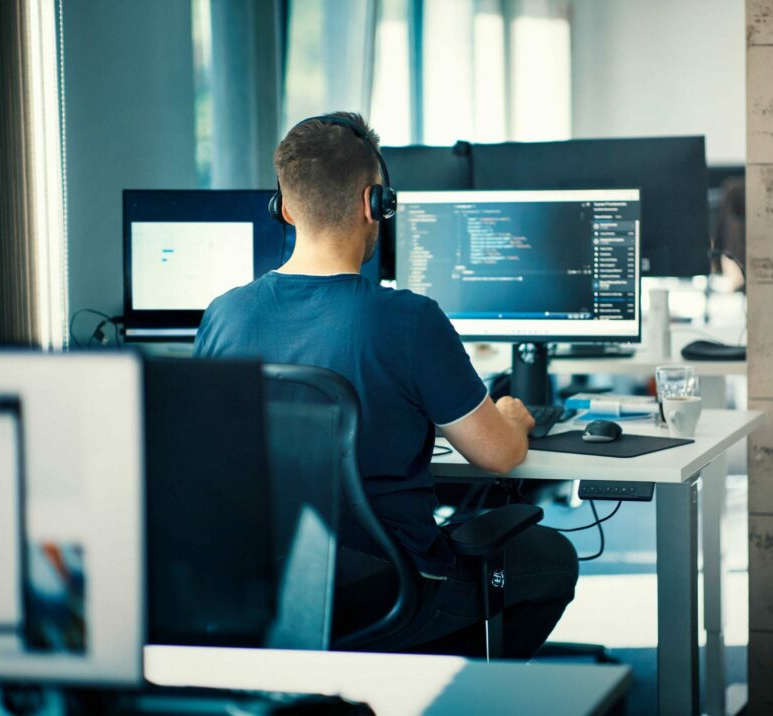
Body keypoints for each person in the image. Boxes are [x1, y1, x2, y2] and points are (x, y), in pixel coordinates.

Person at [193, 112, 577, 659]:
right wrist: (512, 418)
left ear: (282, 206)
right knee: (549, 558)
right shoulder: (408, 319)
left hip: (262, 584)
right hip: (388, 590)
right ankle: (437, 684)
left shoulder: (224, 315)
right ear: (376, 203)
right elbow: (498, 456)